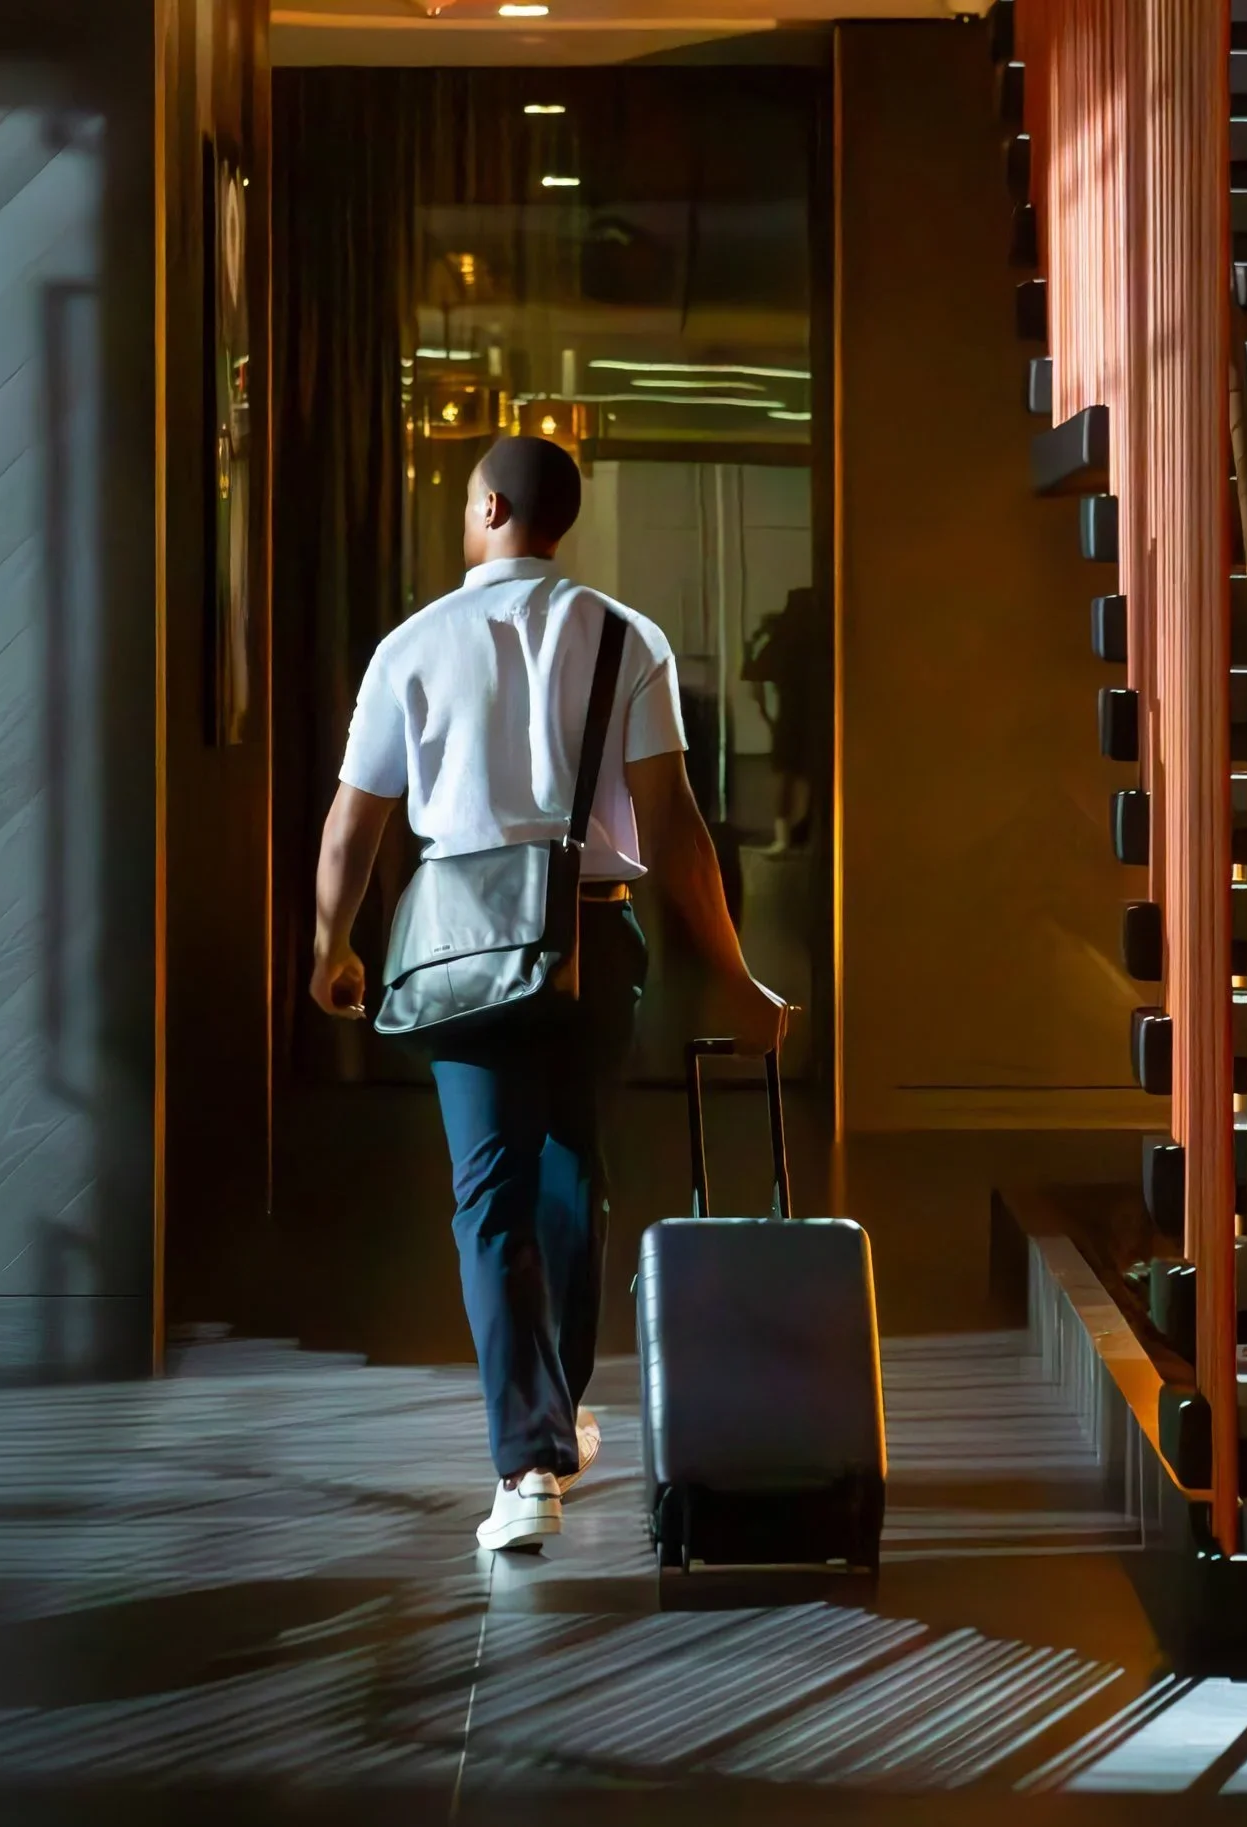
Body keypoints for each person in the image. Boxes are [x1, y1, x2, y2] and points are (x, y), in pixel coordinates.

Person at [308, 436, 787, 1553]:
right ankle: (552, 1419)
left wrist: (330, 945)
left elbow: (353, 826)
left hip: (462, 942)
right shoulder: (627, 638)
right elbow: (672, 828)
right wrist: (737, 974)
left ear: (487, 506)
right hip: (592, 937)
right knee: (576, 1183)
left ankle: (527, 1464)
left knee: (490, 1195)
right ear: (563, 519)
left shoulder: (411, 645)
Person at [742, 583, 826, 855]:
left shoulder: (780, 637)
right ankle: (808, 832)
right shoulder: (819, 638)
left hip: (790, 714)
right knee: (811, 775)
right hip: (815, 713)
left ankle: (785, 836)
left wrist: (767, 715)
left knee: (786, 776)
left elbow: (756, 681)